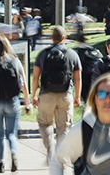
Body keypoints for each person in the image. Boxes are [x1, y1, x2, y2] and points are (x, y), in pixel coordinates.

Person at [31, 26, 82, 161]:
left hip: (46, 94)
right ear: (64, 38)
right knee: (64, 128)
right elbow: (78, 78)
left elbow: (35, 77)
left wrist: (34, 95)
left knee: (45, 124)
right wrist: (77, 96)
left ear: (51, 38)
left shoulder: (43, 54)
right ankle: (61, 155)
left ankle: (50, 148)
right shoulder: (72, 54)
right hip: (65, 95)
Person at [0, 35, 31, 173]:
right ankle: (14, 153)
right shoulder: (16, 62)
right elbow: (23, 85)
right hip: (13, 101)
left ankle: (1, 163)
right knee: (12, 134)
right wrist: (27, 102)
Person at [71, 34, 103, 104]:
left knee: (87, 99)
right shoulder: (93, 50)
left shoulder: (78, 51)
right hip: (96, 77)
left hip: (84, 78)